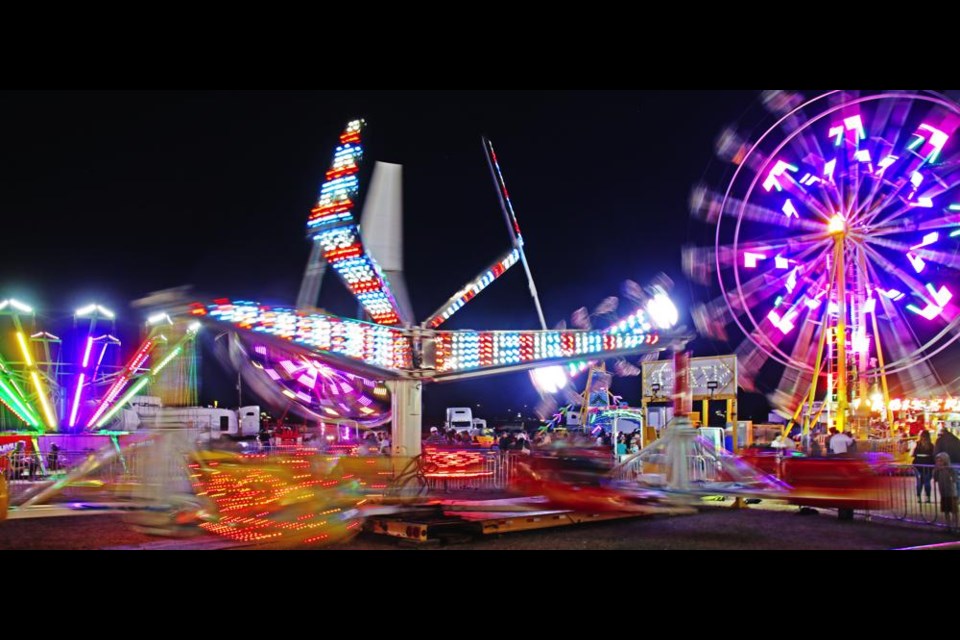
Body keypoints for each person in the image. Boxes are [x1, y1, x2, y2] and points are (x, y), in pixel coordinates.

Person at [934, 452, 959, 530]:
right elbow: (935, 478)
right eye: (937, 461)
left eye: (940, 461)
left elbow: (954, 478)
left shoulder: (950, 469)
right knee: (946, 510)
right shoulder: (938, 470)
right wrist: (936, 470)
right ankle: (948, 525)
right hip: (943, 492)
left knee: (954, 510)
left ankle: (956, 525)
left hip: (951, 492)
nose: (939, 463)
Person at [913, 430, 935, 503]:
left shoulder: (918, 444)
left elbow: (914, 454)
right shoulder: (931, 446)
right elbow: (933, 456)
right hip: (928, 466)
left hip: (918, 466)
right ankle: (928, 497)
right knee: (927, 482)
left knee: (919, 482)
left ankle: (919, 497)